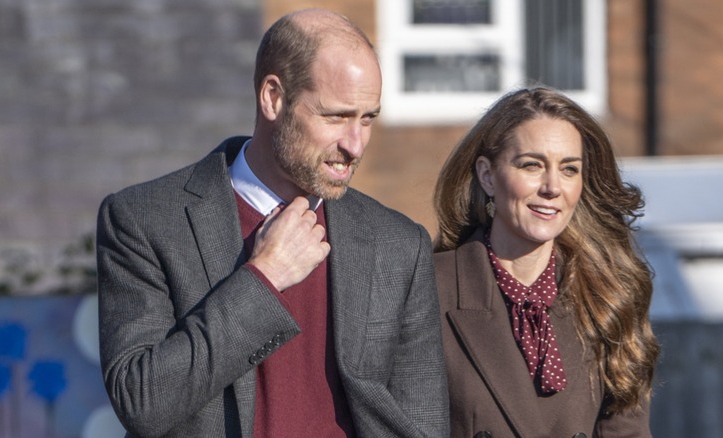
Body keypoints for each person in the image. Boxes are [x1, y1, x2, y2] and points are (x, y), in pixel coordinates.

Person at [96, 8, 449, 438]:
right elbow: (142, 403)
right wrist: (263, 278)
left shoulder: (397, 244)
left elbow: (421, 425)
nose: (355, 144)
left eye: (368, 118)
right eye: (336, 116)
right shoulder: (144, 220)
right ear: (273, 98)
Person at [433, 87, 659, 437]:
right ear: (487, 175)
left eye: (569, 169)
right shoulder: (429, 289)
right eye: (532, 165)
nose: (553, 187)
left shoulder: (609, 299)